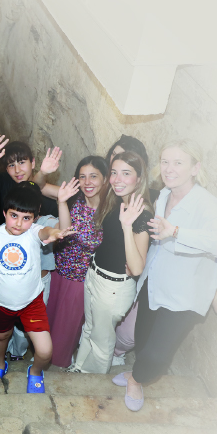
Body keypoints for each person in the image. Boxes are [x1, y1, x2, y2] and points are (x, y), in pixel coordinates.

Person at [118, 142, 217, 411]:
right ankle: (136, 372)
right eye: (165, 161)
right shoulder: (164, 195)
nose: (169, 169)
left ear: (195, 168)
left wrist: (176, 232)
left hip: (183, 297)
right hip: (153, 285)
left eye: (178, 163)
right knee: (143, 341)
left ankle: (136, 380)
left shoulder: (207, 205)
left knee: (157, 355)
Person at [0, 191, 78, 394]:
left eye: (26, 218)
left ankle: (35, 371)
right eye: (14, 216)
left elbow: (46, 232)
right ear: (4, 213)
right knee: (1, 337)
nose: (19, 223)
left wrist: (54, 232)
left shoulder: (33, 232)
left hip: (31, 302)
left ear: (34, 218)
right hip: (0, 302)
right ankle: (0, 363)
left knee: (45, 351)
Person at [70, 151, 155, 375]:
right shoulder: (116, 199)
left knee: (102, 341)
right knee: (89, 328)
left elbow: (136, 267)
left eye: (126, 173)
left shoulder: (142, 215)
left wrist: (127, 225)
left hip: (113, 287)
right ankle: (79, 368)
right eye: (114, 172)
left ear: (139, 178)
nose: (117, 179)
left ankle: (91, 381)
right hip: (94, 274)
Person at [46, 157, 106, 372]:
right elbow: (65, 233)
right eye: (82, 177)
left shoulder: (109, 211)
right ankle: (43, 355)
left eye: (93, 176)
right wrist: (62, 202)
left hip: (81, 278)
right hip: (59, 270)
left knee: (67, 326)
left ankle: (57, 366)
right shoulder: (75, 199)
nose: (87, 182)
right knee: (50, 319)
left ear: (105, 179)